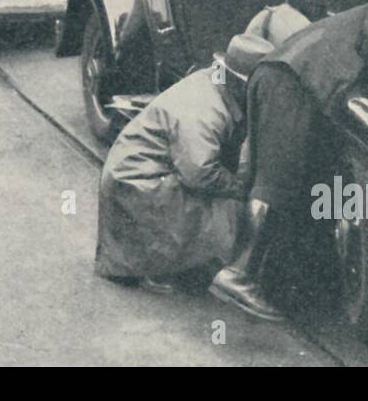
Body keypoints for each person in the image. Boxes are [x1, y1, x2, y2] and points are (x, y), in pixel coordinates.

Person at [209, 0, 368, 321]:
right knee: (278, 186)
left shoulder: (353, 14)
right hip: (291, 83)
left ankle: (267, 280)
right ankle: (239, 275)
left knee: (288, 184)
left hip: (288, 80)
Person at [95, 34, 276, 291]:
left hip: (143, 173)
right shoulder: (204, 110)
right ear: (239, 84)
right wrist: (241, 188)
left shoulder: (214, 85)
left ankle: (174, 262)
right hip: (136, 183)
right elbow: (199, 173)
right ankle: (157, 267)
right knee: (227, 210)